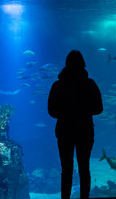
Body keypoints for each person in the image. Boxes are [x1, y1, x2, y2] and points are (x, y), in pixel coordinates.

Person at [48, 50, 103, 199]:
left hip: (64, 132)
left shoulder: (58, 86)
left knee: (66, 170)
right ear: (83, 64)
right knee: (84, 169)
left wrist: (66, 113)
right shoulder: (90, 84)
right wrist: (83, 110)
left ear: (66, 64)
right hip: (85, 132)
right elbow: (99, 108)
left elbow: (51, 111)